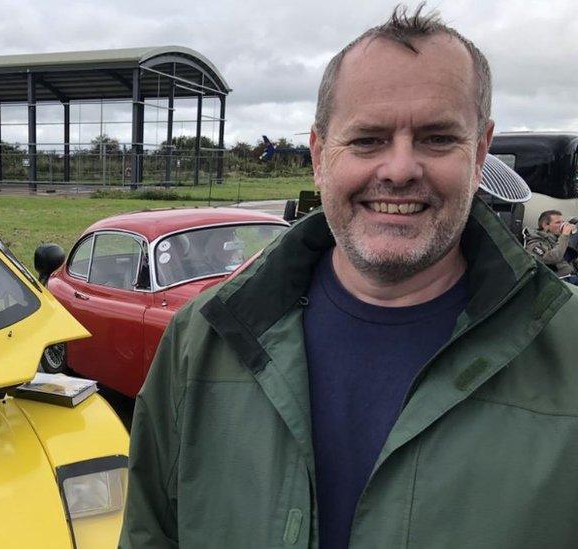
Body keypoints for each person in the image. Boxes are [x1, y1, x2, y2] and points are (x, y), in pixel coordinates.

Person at [120, 5, 578, 549]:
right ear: (319, 156)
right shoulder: (202, 339)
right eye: (367, 140)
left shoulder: (568, 348)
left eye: (436, 139)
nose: (401, 169)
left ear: (480, 152)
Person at [525, 209, 578, 284]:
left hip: (573, 276)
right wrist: (565, 235)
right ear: (545, 225)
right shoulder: (534, 243)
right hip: (561, 282)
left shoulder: (557, 240)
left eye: (562, 222)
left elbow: (569, 260)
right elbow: (552, 258)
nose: (562, 225)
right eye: (558, 222)